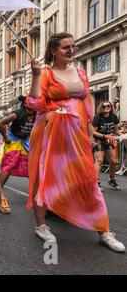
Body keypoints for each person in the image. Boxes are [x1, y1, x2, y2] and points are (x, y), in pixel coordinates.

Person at [27, 32, 125, 253]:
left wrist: (89, 134)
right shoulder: (45, 73)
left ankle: (103, 230)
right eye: (66, 47)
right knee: (45, 179)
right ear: (53, 50)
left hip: (77, 135)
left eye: (73, 46)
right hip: (51, 136)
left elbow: (88, 106)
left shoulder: (80, 71)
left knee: (88, 179)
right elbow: (34, 104)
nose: (72, 50)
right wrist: (35, 76)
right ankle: (41, 225)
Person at [0, 96, 36, 202]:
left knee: (31, 166)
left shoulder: (38, 114)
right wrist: (6, 138)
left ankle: (36, 192)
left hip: (25, 141)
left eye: (35, 101)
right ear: (25, 103)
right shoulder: (17, 114)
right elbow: (0, 123)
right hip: (13, 141)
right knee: (9, 165)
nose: (32, 103)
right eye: (29, 101)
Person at [93, 101, 122, 191]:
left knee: (113, 161)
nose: (107, 107)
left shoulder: (113, 117)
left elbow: (116, 130)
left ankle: (111, 179)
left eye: (108, 105)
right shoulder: (97, 118)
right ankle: (95, 182)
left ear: (111, 107)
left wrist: (123, 136)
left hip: (109, 140)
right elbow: (93, 132)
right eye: (104, 106)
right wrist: (105, 136)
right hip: (98, 140)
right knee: (100, 161)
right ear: (101, 107)